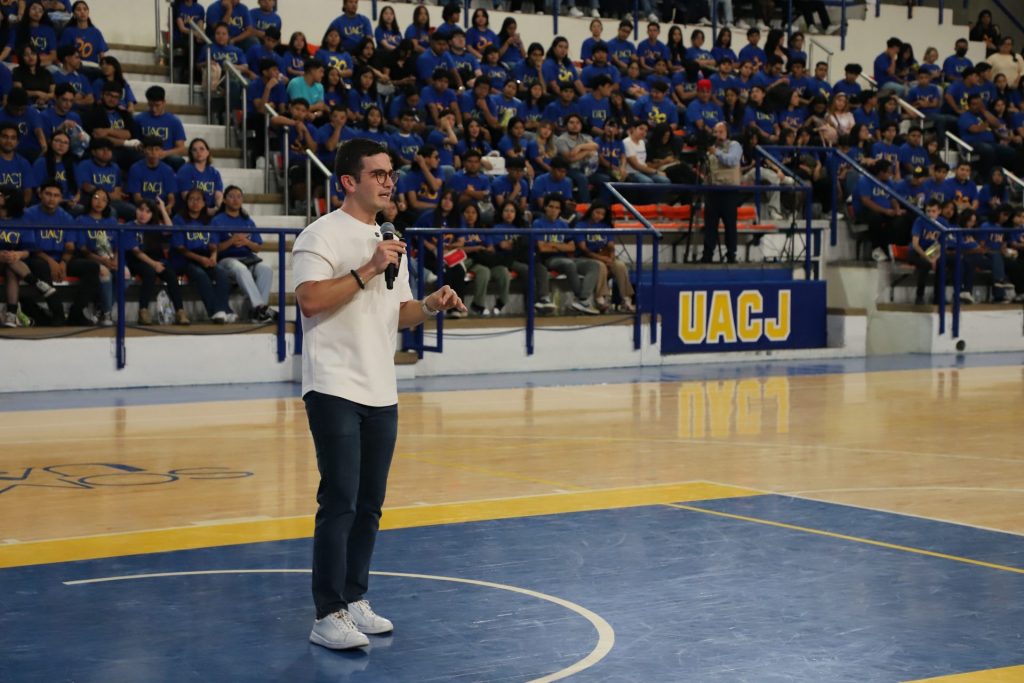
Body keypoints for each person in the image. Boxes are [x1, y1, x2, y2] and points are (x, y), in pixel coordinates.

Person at [292, 138, 464, 650]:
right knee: (340, 500)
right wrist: (367, 268)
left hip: (380, 388)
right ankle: (327, 614)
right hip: (333, 385)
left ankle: (354, 599)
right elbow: (309, 300)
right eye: (379, 174)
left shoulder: (391, 240)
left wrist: (430, 304)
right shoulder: (320, 234)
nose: (390, 182)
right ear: (349, 181)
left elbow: (397, 311)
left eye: (391, 174)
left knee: (369, 505)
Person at [212, 185, 275, 323]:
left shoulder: (247, 221)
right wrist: (232, 240)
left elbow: (257, 247)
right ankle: (260, 308)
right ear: (224, 200)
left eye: (239, 196)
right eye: (231, 196)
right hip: (227, 260)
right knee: (240, 268)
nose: (235, 200)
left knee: (266, 268)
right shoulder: (217, 220)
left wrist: (246, 242)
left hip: (249, 258)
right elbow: (215, 248)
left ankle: (258, 313)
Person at [171, 188, 235, 323]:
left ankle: (224, 309)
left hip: (205, 256)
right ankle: (215, 312)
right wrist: (200, 259)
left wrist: (213, 256)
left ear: (204, 203)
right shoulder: (179, 219)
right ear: (186, 202)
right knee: (201, 275)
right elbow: (180, 248)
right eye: (191, 199)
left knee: (221, 274)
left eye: (198, 199)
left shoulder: (209, 220)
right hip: (185, 258)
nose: (195, 202)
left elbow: (213, 244)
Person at [532, 193, 601, 315]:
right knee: (569, 264)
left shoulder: (563, 224)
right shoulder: (538, 223)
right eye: (551, 207)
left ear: (560, 210)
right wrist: (562, 247)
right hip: (548, 260)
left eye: (557, 208)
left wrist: (553, 245)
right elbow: (542, 248)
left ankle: (583, 299)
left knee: (594, 265)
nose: (554, 210)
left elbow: (572, 247)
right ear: (545, 207)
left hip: (564, 257)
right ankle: (581, 299)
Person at [575, 202, 635, 312]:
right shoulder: (580, 225)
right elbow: (584, 249)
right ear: (591, 211)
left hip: (604, 255)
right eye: (597, 212)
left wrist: (611, 259)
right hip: (586, 257)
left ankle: (626, 299)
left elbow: (611, 246)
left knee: (620, 265)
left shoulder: (605, 226)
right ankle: (600, 299)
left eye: (602, 214)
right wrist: (602, 259)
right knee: (600, 265)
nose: (599, 216)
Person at [701, 122, 744, 264]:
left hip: (729, 191)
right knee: (710, 226)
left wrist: (716, 152)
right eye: (715, 132)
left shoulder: (734, 145)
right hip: (712, 191)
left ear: (727, 133)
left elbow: (731, 160)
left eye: (721, 131)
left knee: (730, 225)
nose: (717, 135)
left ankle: (731, 255)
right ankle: (707, 255)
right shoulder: (711, 149)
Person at [134, 86, 187, 171]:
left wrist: (165, 153)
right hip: (145, 156)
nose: (154, 109)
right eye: (151, 105)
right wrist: (139, 147)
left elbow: (181, 148)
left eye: (157, 105)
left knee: (178, 161)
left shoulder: (174, 121)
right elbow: (134, 141)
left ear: (164, 103)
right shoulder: (139, 119)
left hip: (165, 156)